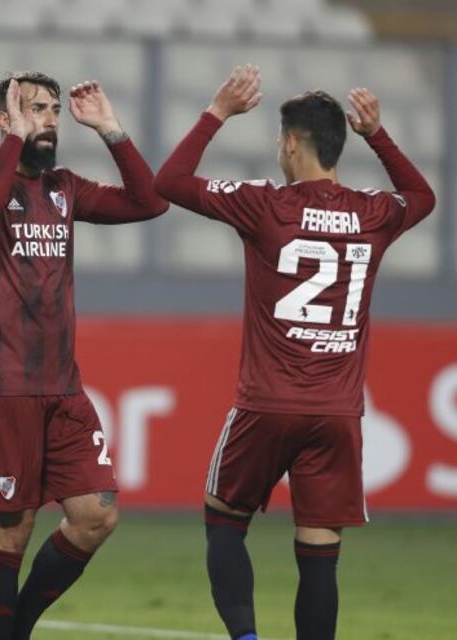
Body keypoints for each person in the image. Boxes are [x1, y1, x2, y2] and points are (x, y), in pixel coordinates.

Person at [153, 65, 436, 640]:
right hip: (337, 413)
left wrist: (217, 112)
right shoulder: (373, 213)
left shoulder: (266, 207)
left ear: (289, 143)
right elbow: (423, 196)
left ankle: (247, 637)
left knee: (224, 519)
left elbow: (171, 182)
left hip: (267, 404)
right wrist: (379, 136)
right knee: (320, 547)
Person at [0, 72, 169, 640]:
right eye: (33, 109)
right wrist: (14, 143)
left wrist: (112, 130)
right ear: (4, 119)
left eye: (51, 110)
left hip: (63, 388)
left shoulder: (64, 188)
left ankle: (13, 630)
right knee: (10, 534)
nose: (47, 119)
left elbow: (149, 202)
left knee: (96, 516)